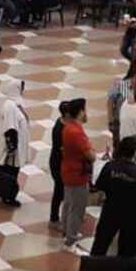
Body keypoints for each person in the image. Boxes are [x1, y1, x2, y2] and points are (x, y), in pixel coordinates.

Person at [91, 136, 136, 258]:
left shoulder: (110, 167)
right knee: (127, 251)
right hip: (132, 217)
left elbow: (99, 186)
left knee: (100, 245)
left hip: (110, 212)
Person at [60, 98, 96, 252]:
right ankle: (70, 241)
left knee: (68, 203)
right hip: (77, 175)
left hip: (68, 171)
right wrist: (92, 151)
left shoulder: (68, 128)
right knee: (77, 208)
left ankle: (67, 231)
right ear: (80, 112)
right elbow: (91, 156)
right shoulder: (76, 132)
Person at [0, 80, 30, 206]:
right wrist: (11, 149)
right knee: (10, 171)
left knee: (9, 171)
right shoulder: (10, 106)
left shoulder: (14, 105)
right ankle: (8, 196)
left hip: (14, 148)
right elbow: (10, 128)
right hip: (12, 150)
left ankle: (6, 194)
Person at [49, 100, 69, 230]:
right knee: (59, 190)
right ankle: (54, 219)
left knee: (64, 191)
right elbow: (63, 149)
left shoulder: (65, 123)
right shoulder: (59, 129)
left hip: (62, 163)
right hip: (58, 164)